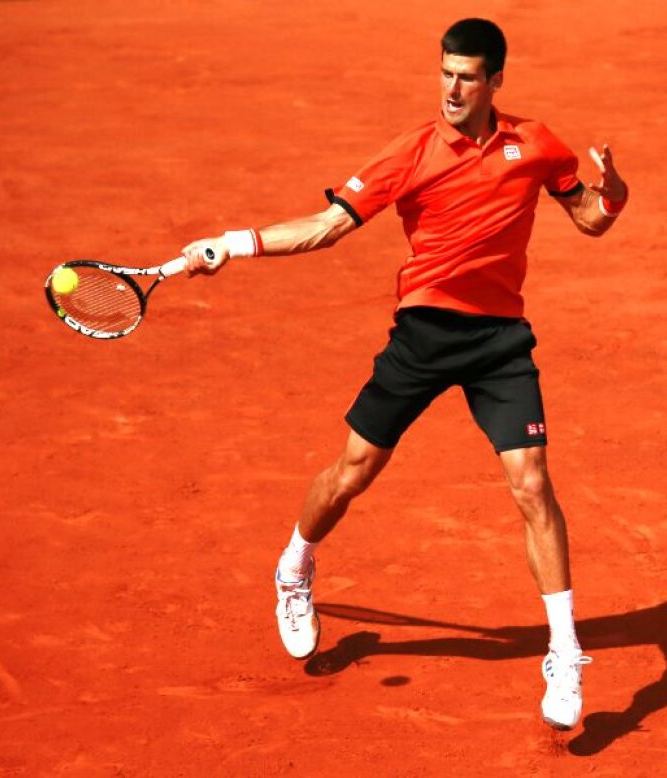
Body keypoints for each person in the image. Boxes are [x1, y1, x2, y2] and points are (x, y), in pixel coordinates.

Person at [180, 18, 627, 731]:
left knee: (533, 481)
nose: (453, 88)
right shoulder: (412, 152)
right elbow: (327, 227)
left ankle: (565, 654)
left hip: (501, 342)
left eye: (468, 76)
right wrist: (234, 244)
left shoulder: (537, 142)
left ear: (496, 81)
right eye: (446, 72)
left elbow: (592, 218)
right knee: (352, 472)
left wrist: (615, 194)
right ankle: (295, 566)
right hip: (422, 337)